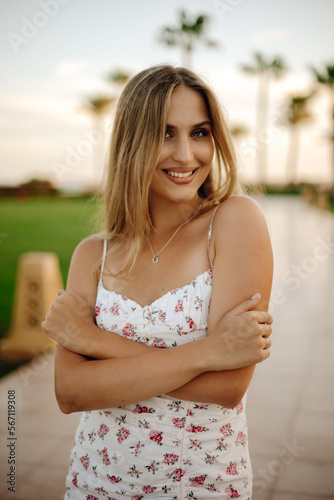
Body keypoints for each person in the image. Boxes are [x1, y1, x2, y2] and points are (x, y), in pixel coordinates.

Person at [42, 64, 273, 499]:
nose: (186, 155)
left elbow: (227, 387)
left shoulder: (235, 223)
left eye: (200, 132)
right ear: (131, 142)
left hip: (201, 486)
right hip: (94, 482)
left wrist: (94, 341)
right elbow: (71, 392)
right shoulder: (93, 255)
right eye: (165, 133)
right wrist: (210, 352)